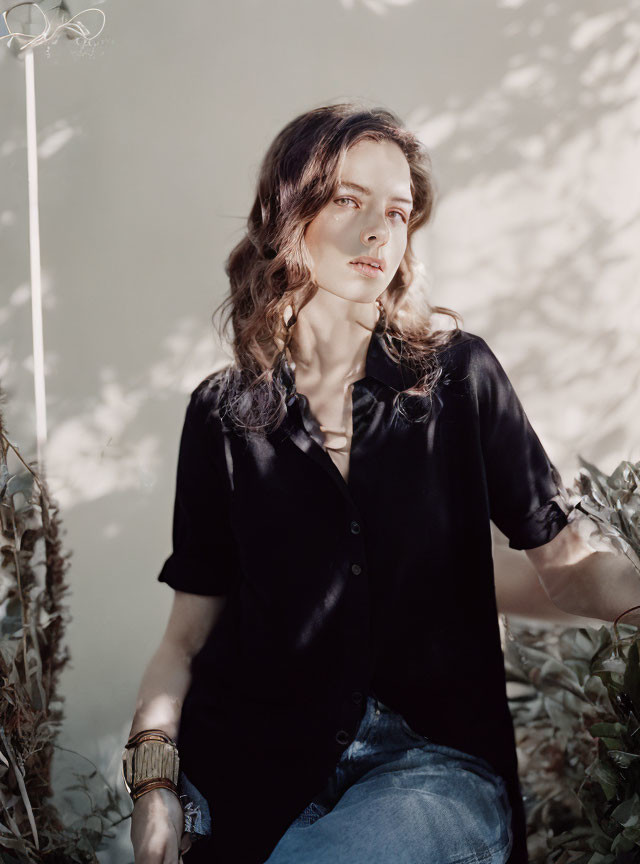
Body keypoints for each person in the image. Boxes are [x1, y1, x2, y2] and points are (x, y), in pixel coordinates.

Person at [125, 102, 574, 864]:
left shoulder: (460, 379)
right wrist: (154, 784)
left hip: (429, 768)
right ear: (287, 213)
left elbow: (570, 570)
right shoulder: (222, 413)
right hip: (249, 760)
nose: (378, 232)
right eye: (348, 200)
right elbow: (184, 640)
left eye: (397, 213)